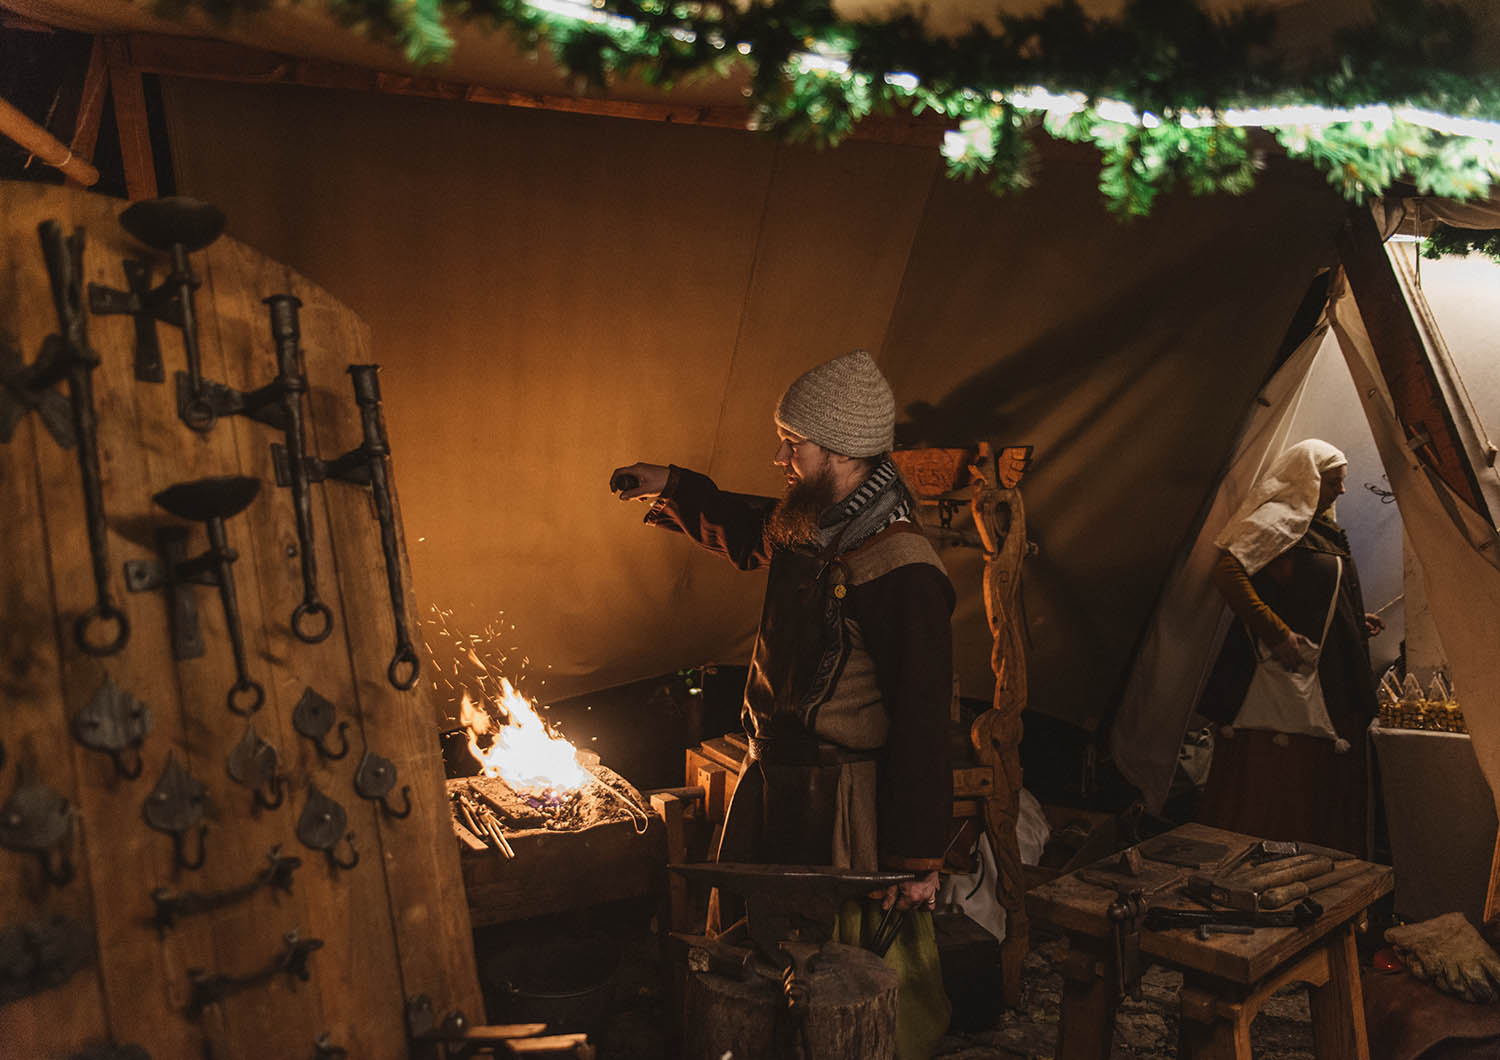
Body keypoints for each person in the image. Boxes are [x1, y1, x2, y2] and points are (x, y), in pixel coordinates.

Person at [612, 349, 953, 1058]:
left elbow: (923, 721)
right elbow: (749, 529)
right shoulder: (821, 521)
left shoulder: (902, 569)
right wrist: (670, 485)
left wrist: (918, 860)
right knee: (756, 973)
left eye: (792, 444)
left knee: (840, 989)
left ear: (838, 451)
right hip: (778, 777)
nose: (778, 456)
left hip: (844, 807)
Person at [1196, 439, 1385, 855]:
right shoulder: (1278, 520)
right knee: (1277, 785)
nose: (1342, 491)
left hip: (1327, 676)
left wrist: (1351, 624)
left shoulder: (1320, 529)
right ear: (1308, 480)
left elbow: (1310, 591)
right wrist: (1276, 632)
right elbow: (1229, 571)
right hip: (1283, 685)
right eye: (1333, 482)